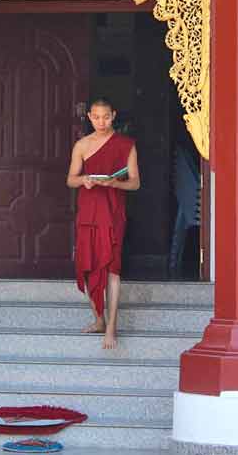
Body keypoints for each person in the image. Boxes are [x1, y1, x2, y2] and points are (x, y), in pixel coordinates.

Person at [66, 98, 140, 350]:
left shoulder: (126, 145)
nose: (101, 122)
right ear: (89, 117)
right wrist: (84, 179)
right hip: (88, 212)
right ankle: (98, 318)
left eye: (106, 117)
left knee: (112, 268)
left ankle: (111, 327)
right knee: (87, 265)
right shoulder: (82, 145)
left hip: (113, 212)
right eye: (96, 117)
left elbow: (135, 182)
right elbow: (70, 180)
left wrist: (115, 184)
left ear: (114, 115)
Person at [169, 138, 201, 279]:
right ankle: (173, 265)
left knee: (179, 231)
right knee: (179, 231)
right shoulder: (183, 156)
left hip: (193, 195)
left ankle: (174, 264)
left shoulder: (188, 155)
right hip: (190, 195)